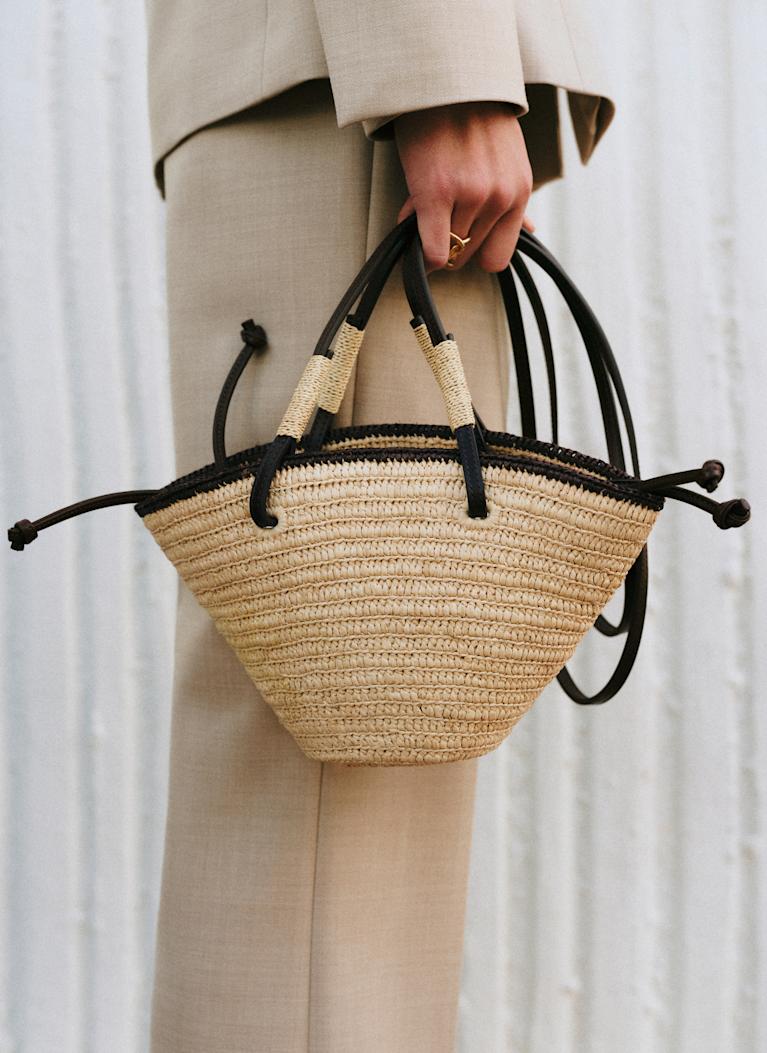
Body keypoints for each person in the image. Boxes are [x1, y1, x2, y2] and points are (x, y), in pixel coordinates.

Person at [143, 2, 615, 1049]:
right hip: (353, 93)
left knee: (336, 785)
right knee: (335, 813)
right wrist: (441, 72)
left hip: (332, 88)